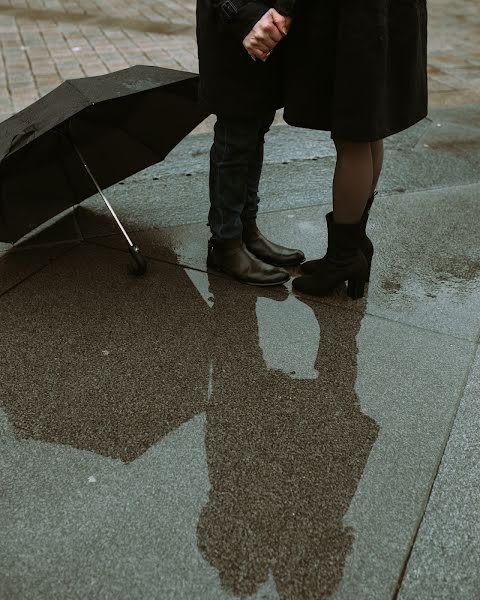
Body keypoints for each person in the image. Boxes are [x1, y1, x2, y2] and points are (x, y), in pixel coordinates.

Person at [282, 0, 428, 299]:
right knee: (367, 127)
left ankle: (343, 258)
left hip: (359, 21)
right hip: (381, 17)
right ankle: (352, 244)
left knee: (354, 134)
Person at [196, 0, 305, 286]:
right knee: (235, 138)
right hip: (236, 32)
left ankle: (246, 231)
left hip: (265, 32)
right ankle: (226, 243)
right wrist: (244, 15)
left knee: (256, 131)